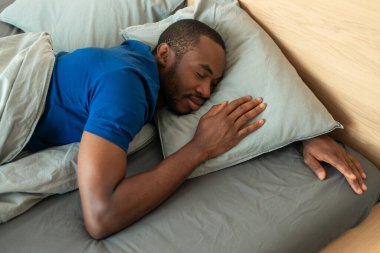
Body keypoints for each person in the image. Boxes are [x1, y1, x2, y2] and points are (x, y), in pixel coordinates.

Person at [23, 19, 366, 239]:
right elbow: (101, 217)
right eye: (201, 74)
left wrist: (308, 133)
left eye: (214, 85)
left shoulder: (140, 75)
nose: (205, 92)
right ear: (164, 54)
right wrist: (199, 148)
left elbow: (256, 85)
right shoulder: (126, 84)